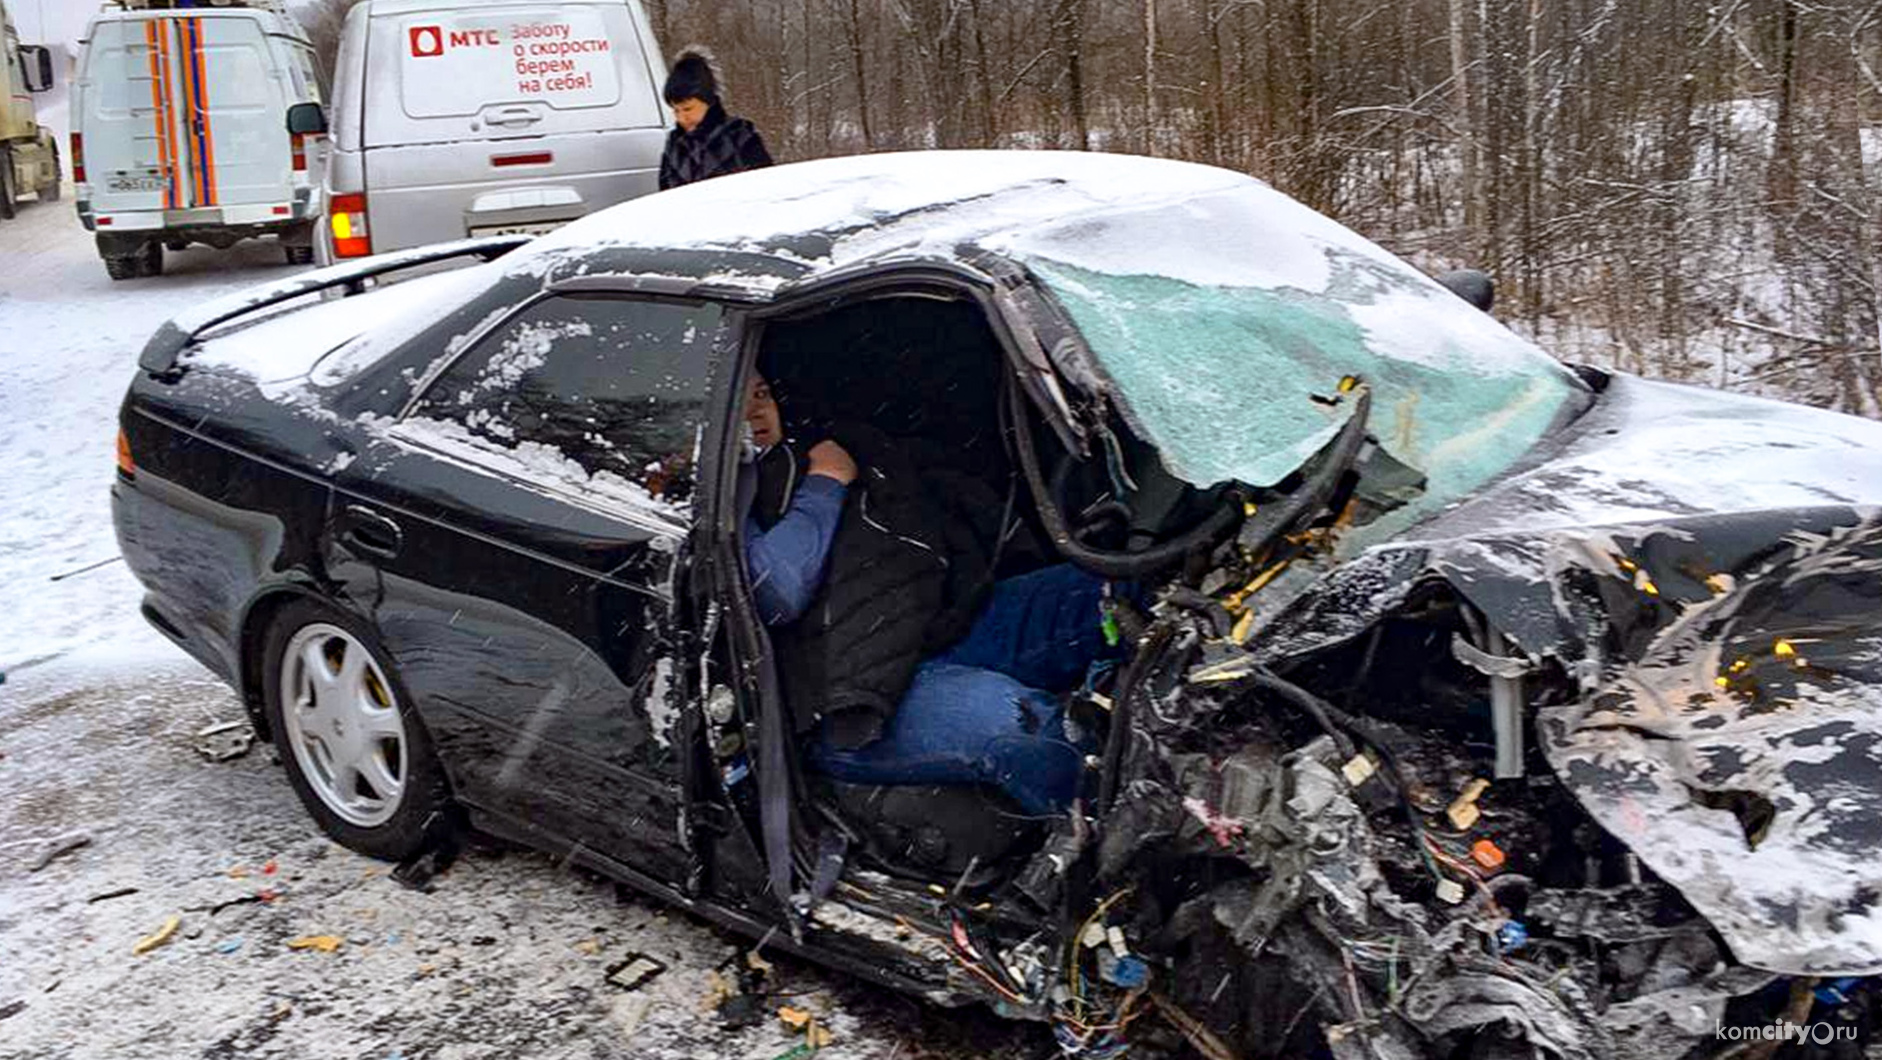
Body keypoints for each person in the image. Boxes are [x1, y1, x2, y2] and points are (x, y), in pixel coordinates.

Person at [739, 372, 1121, 816]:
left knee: (1114, 594)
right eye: (739, 402)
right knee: (1025, 728)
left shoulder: (818, 445)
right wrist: (826, 482)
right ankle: (1120, 840)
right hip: (839, 697)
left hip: (930, 626)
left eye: (762, 394)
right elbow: (776, 590)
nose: (757, 412)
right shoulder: (711, 494)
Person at [658, 47, 774, 191]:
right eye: (676, 110)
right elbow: (664, 196)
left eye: (688, 109)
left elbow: (766, 185)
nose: (682, 117)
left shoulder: (739, 135)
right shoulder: (675, 146)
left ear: (708, 102)